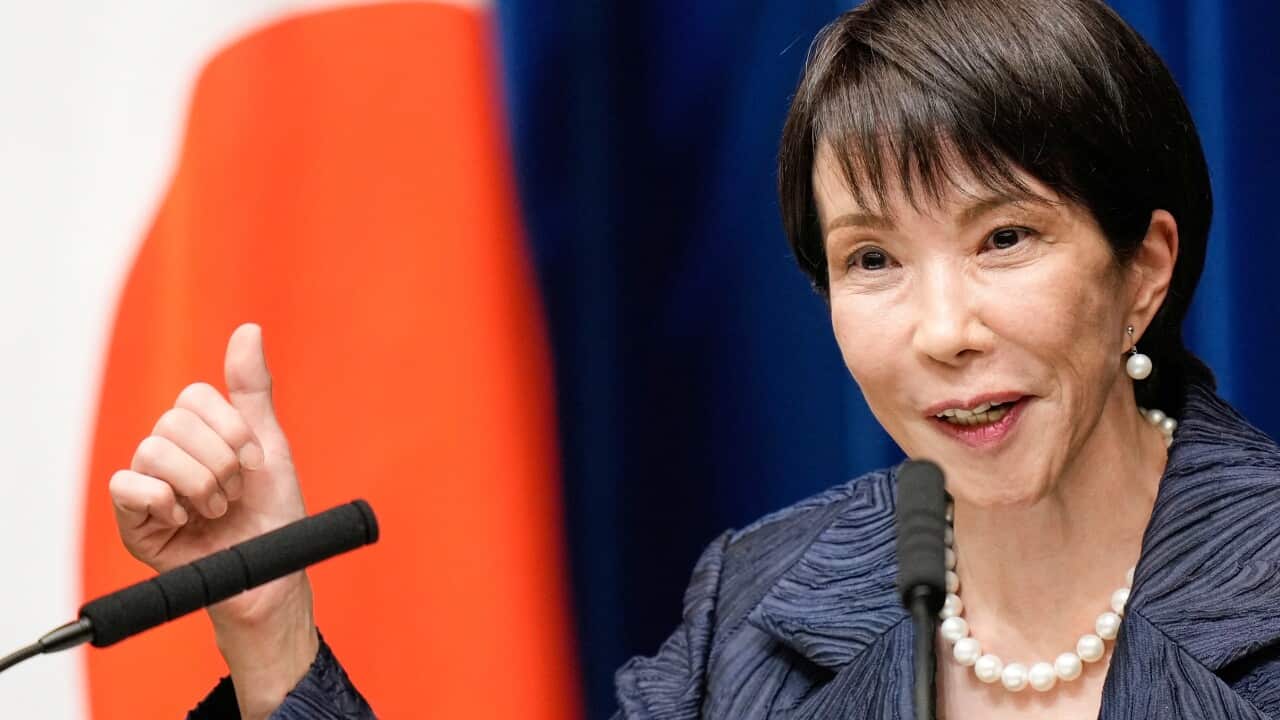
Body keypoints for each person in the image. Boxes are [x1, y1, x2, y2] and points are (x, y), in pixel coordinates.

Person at [109, 0, 1280, 718]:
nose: (940, 329)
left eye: (1004, 239)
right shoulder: (764, 606)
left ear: (1142, 270)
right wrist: (270, 628)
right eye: (871, 261)